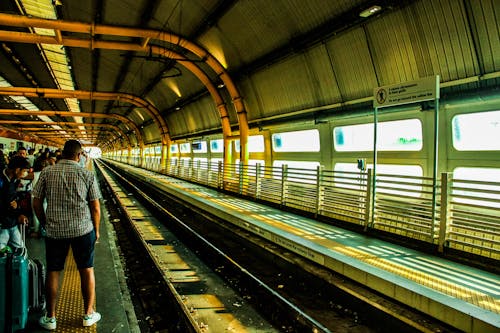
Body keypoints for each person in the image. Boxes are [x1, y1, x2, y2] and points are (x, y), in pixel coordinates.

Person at [33, 140, 102, 330]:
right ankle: (88, 314)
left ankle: (51, 317)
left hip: (55, 231)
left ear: (63, 153)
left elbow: (36, 201)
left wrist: (44, 222)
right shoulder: (86, 174)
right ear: (79, 155)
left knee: (53, 271)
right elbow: (95, 207)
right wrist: (96, 230)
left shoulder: (47, 172)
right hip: (82, 230)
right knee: (86, 269)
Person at [0, 156, 31, 252]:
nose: (26, 174)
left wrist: (17, 207)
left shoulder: (14, 179)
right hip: (2, 224)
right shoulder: (1, 180)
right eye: (25, 171)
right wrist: (10, 205)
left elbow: (13, 200)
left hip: (11, 221)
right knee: (2, 251)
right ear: (17, 170)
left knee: (21, 249)